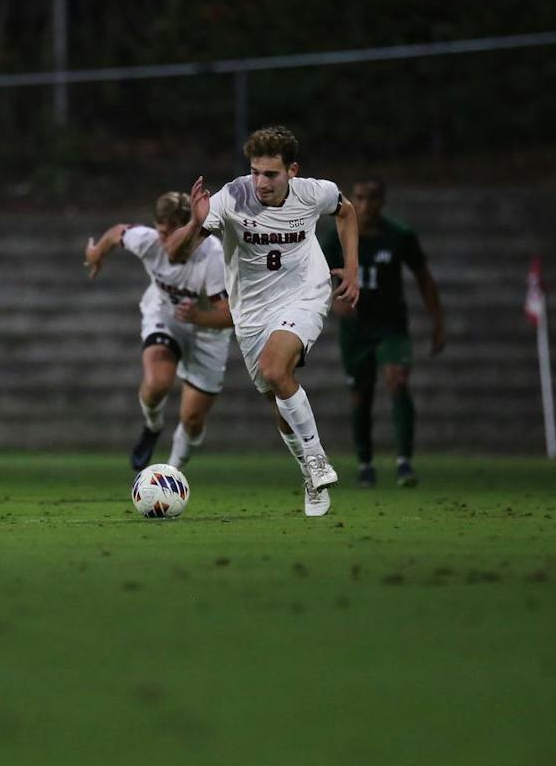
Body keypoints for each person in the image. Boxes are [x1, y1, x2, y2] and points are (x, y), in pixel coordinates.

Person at [167, 125, 360, 517]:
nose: (260, 182)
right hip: (252, 312)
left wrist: (352, 268)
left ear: (292, 170)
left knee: (275, 368)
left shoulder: (312, 192)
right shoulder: (231, 198)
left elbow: (347, 211)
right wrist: (193, 223)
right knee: (279, 401)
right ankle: (308, 470)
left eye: (270, 174)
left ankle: (319, 459)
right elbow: (175, 255)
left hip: (305, 293)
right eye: (255, 171)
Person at [84, 191, 233, 471]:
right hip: (165, 316)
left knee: (192, 419)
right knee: (157, 384)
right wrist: (95, 254)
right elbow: (118, 233)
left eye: (172, 234)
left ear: (191, 230)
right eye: (162, 232)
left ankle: (171, 474)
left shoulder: (213, 257)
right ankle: (153, 424)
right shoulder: (149, 241)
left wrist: (198, 316)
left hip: (209, 334)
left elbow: (232, 317)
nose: (165, 242)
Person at [320, 177, 445, 488]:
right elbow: (314, 275)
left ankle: (404, 462)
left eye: (372, 199)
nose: (365, 206)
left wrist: (437, 322)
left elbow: (424, 278)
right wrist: (334, 300)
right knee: (360, 395)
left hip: (391, 326)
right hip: (355, 330)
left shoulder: (399, 235)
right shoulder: (336, 237)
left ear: (382, 202)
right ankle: (365, 463)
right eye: (359, 198)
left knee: (397, 380)